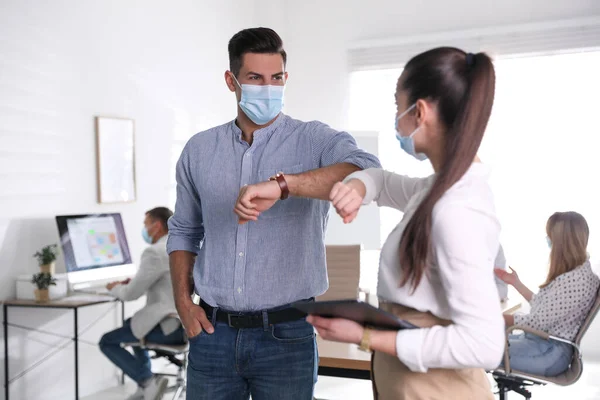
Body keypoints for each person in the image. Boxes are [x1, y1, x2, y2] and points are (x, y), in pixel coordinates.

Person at [167, 27, 380, 400]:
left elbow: (367, 170)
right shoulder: (199, 150)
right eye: (255, 78)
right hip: (212, 332)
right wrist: (184, 304)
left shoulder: (314, 140)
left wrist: (284, 185)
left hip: (287, 335)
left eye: (276, 78)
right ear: (231, 81)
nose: (268, 88)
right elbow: (184, 231)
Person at [306, 47, 506, 399]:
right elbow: (382, 182)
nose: (397, 117)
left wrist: (364, 336)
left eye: (398, 106)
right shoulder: (439, 187)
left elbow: (484, 344)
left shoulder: (456, 209)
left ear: (421, 112)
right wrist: (358, 186)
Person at [495, 211, 600, 377]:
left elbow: (536, 323)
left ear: (561, 242)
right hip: (543, 346)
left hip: (548, 354)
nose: (547, 240)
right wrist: (516, 283)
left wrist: (496, 317)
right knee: (485, 343)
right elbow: (546, 309)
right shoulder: (577, 272)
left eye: (550, 236)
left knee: (481, 349)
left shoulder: (574, 281)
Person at [100, 207, 184, 400]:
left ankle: (147, 381)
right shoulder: (180, 245)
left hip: (169, 328)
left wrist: (112, 287)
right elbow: (167, 280)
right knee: (131, 324)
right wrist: (137, 280)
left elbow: (130, 295)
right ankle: (145, 386)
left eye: (146, 225)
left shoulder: (154, 252)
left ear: (157, 226)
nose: (144, 230)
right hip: (185, 325)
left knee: (107, 341)